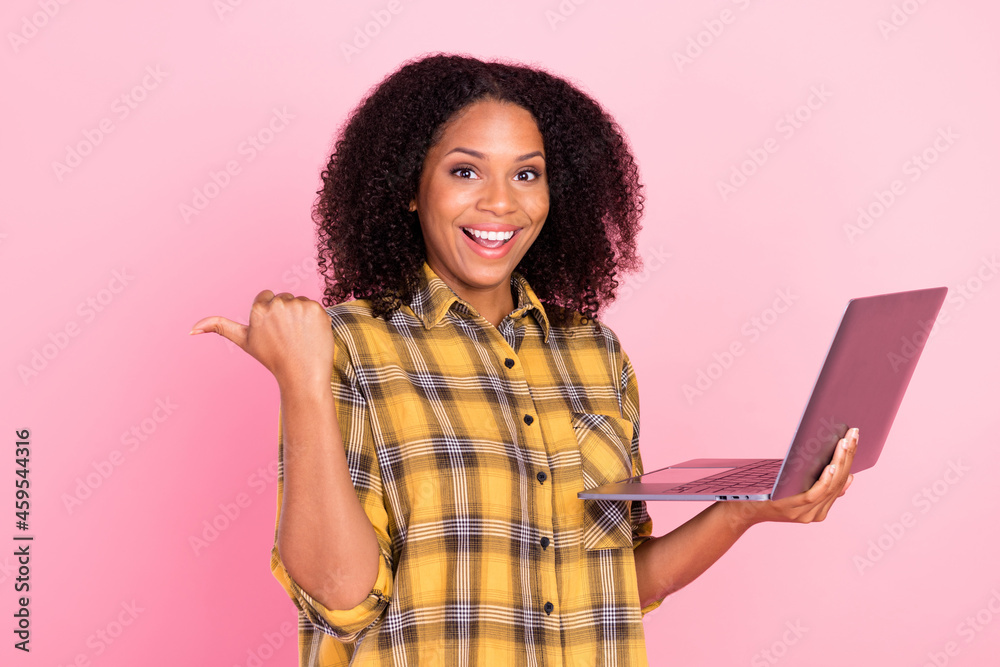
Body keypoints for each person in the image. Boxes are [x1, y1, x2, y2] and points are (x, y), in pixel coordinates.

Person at [190, 54, 857, 666]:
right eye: (465, 170)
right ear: (409, 188)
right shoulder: (345, 347)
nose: (501, 203)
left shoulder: (595, 354)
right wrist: (302, 381)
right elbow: (340, 595)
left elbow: (617, 581)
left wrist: (745, 509)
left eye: (527, 173)